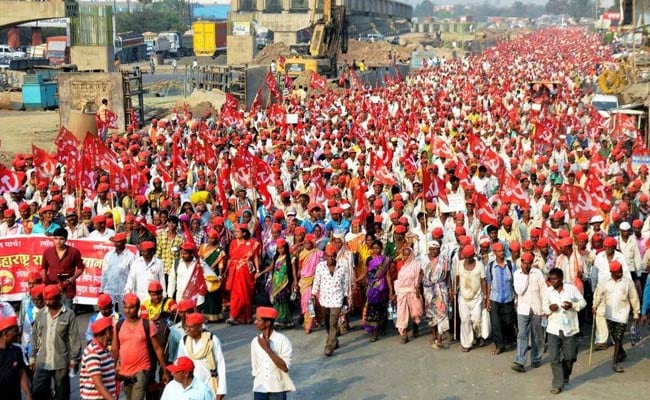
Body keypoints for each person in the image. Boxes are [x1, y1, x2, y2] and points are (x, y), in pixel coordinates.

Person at [113, 293, 170, 400]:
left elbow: (157, 348)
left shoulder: (147, 324)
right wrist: (112, 368)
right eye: (125, 307)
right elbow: (115, 349)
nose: (128, 311)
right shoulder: (118, 326)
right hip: (124, 372)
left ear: (138, 307)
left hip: (142, 370)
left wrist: (164, 370)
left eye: (131, 307)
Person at [30, 284, 82, 400]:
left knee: (62, 394)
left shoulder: (69, 314)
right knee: (37, 392)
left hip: (61, 362)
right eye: (46, 300)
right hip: (42, 361)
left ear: (58, 298)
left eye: (51, 300)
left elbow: (74, 339)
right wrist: (32, 356)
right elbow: (35, 336)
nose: (48, 303)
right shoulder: (41, 314)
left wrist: (74, 359)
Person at [543, 268, 586, 395]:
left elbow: (583, 302)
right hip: (553, 328)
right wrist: (549, 308)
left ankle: (565, 374)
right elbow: (543, 306)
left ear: (561, 279)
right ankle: (558, 384)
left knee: (570, 356)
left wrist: (572, 305)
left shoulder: (571, 289)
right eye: (550, 280)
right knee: (554, 358)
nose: (552, 282)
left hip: (570, 328)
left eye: (554, 279)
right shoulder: (548, 291)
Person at [592, 260, 640, 373]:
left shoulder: (628, 282)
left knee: (618, 338)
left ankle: (615, 363)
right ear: (611, 272)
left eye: (621, 271)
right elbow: (599, 293)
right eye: (617, 272)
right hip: (609, 314)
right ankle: (622, 353)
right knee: (615, 336)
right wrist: (595, 305)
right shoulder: (604, 282)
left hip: (622, 314)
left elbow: (633, 297)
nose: (620, 273)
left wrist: (636, 312)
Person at [177, 313, 227, 399]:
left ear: (200, 327)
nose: (187, 330)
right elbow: (179, 364)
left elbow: (221, 366)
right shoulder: (184, 341)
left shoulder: (212, 340)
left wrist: (221, 390)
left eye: (191, 327)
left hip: (210, 385)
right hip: (190, 386)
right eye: (187, 326)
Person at [511, 252, 547, 372]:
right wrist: (526, 276)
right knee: (522, 335)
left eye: (528, 263)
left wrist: (544, 309)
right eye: (524, 263)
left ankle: (536, 359)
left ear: (531, 263)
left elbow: (544, 291)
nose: (526, 266)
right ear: (521, 262)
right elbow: (519, 290)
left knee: (537, 335)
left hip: (537, 308)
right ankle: (520, 361)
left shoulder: (538, 273)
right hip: (523, 309)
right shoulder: (517, 274)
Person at [312, 244, 349, 356]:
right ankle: (334, 339)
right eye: (328, 256)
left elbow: (345, 284)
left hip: (337, 299)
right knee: (327, 322)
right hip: (324, 299)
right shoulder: (320, 267)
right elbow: (317, 281)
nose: (331, 259)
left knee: (333, 322)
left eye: (333, 256)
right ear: (325, 256)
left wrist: (346, 297)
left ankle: (329, 347)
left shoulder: (342, 268)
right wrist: (313, 295)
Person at [251, 306, 296, 399]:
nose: (255, 322)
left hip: (277, 389)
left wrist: (268, 349)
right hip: (259, 389)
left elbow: (285, 367)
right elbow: (255, 368)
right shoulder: (255, 342)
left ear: (267, 323)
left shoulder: (283, 341)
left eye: (258, 320)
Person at [41, 227, 85, 309]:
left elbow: (80, 268)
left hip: (67, 288)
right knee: (52, 312)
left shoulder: (74, 252)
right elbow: (43, 268)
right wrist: (44, 279)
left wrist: (72, 278)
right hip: (52, 287)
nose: (58, 241)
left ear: (66, 239)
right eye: (56, 238)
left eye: (61, 239)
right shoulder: (47, 252)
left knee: (67, 313)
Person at [455, 245, 488, 352]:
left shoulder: (479, 265)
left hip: (477, 298)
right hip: (463, 298)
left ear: (473, 255)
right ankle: (466, 343)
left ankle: (478, 336)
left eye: (470, 256)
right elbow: (456, 278)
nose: (468, 259)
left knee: (476, 320)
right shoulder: (459, 264)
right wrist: (454, 289)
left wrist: (485, 296)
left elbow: (483, 281)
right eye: (466, 256)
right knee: (465, 320)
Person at [485, 242, 517, 355]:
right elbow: (488, 283)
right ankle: (499, 345)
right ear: (494, 253)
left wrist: (516, 298)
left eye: (503, 251)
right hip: (495, 298)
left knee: (508, 321)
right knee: (496, 323)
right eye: (499, 251)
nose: (502, 253)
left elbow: (515, 282)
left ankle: (509, 338)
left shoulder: (511, 265)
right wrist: (488, 299)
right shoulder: (490, 266)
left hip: (508, 298)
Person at [226, 224, 260, 325]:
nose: (235, 233)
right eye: (235, 232)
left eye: (237, 232)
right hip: (234, 271)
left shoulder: (252, 243)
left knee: (245, 293)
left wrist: (258, 270)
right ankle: (234, 316)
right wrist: (225, 271)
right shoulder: (232, 243)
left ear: (244, 233)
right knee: (235, 294)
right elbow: (230, 258)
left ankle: (246, 317)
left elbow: (255, 258)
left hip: (246, 271)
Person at [260, 237, 295, 328]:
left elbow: (294, 271)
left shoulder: (290, 258)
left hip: (285, 282)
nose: (280, 250)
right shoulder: (276, 257)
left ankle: (284, 320)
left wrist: (295, 282)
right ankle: (278, 319)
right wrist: (261, 273)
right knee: (276, 301)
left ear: (285, 247)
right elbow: (271, 267)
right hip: (275, 281)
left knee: (283, 301)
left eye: (282, 248)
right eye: (278, 248)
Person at [421, 240, 450, 349]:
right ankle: (434, 335)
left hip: (441, 288)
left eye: (436, 249)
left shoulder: (444, 259)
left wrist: (449, 288)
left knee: (441, 312)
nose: (433, 251)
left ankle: (440, 338)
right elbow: (421, 273)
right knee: (430, 313)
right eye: (431, 249)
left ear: (439, 249)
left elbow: (447, 275)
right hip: (428, 290)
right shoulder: (423, 259)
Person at [362, 240, 393, 342]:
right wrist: (356, 281)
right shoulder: (369, 259)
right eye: (374, 248)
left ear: (381, 248)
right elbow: (365, 273)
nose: (376, 250)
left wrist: (391, 290)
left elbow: (388, 276)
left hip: (382, 287)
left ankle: (381, 327)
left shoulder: (385, 260)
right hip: (372, 287)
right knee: (373, 309)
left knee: (381, 308)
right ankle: (374, 332)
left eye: (378, 248)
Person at [79, 317, 117, 400]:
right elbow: (98, 384)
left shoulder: (104, 350)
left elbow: (107, 373)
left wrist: (127, 377)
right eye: (112, 330)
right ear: (107, 332)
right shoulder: (93, 353)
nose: (113, 333)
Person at [393, 246, 423, 344]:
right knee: (402, 314)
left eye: (407, 255)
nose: (405, 257)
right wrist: (396, 293)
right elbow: (398, 280)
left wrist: (417, 287)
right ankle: (404, 335)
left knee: (415, 313)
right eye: (404, 255)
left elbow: (419, 276)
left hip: (413, 291)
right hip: (402, 292)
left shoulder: (416, 265)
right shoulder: (400, 265)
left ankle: (415, 327)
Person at [100, 231, 135, 312]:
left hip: (123, 292)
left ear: (124, 242)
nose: (116, 244)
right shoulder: (108, 255)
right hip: (109, 291)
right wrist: (101, 290)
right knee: (109, 316)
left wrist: (130, 292)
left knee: (124, 315)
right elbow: (104, 273)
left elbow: (132, 276)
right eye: (115, 242)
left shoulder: (130, 256)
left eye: (118, 242)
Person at [0, 315, 32, 400]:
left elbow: (21, 373)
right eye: (15, 330)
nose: (18, 333)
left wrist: (28, 393)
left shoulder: (17, 350)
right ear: (5, 333)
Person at [198, 229, 226, 322]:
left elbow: (221, 264)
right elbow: (199, 258)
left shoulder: (219, 251)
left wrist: (220, 275)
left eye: (213, 239)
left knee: (213, 294)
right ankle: (205, 314)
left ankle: (215, 315)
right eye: (209, 238)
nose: (211, 240)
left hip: (213, 274)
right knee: (204, 294)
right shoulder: (203, 247)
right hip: (203, 273)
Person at [297, 233, 322, 334]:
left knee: (317, 302)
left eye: (309, 243)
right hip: (304, 281)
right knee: (307, 303)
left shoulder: (318, 253)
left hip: (316, 280)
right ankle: (308, 323)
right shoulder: (301, 254)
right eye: (305, 243)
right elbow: (300, 268)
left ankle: (315, 320)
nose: (307, 245)